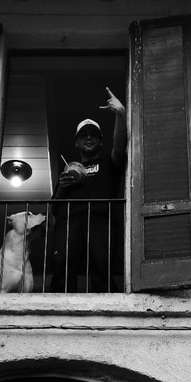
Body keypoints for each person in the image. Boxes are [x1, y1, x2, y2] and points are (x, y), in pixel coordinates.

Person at [50, 87, 127, 293]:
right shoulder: (68, 170)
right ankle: (59, 307)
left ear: (101, 141)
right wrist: (62, 188)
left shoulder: (109, 162)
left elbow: (120, 145)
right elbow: (54, 209)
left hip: (101, 219)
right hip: (70, 221)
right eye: (83, 135)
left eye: (94, 134)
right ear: (76, 142)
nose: (89, 137)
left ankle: (107, 307)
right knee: (62, 265)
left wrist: (121, 113)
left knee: (101, 264)